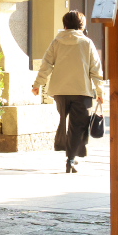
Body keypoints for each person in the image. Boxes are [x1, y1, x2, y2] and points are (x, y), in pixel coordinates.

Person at [32, 10, 104, 173]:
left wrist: (38, 84)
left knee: (64, 121)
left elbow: (46, 64)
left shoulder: (56, 42)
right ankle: (71, 158)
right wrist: (100, 92)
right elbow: (96, 70)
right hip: (81, 90)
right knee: (78, 125)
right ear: (82, 25)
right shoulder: (87, 43)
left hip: (60, 91)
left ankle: (65, 149)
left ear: (65, 25)